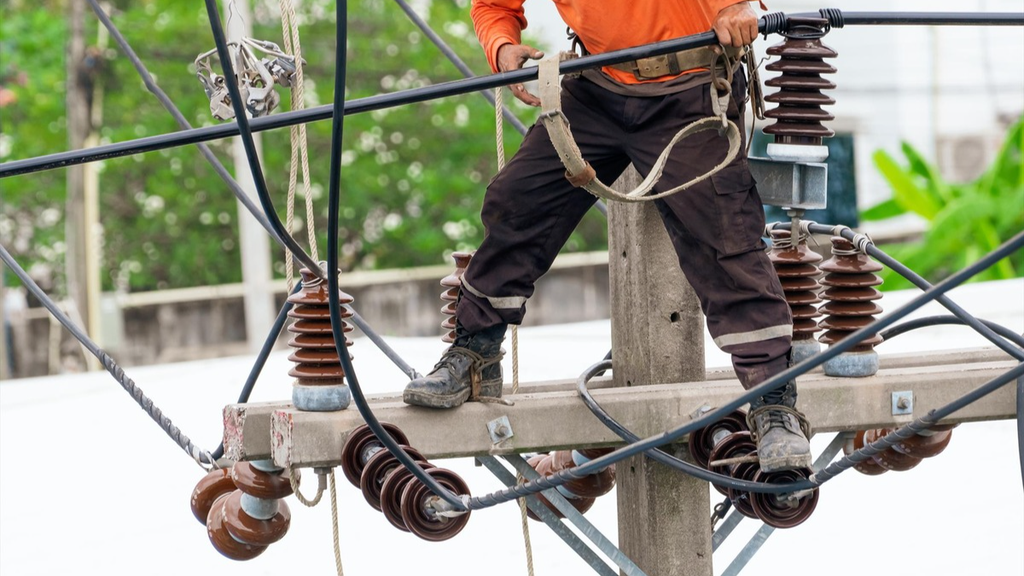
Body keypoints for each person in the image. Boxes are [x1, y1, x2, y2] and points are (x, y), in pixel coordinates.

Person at [403, 0, 812, 472]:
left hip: (692, 85)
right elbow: (494, 5)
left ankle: (773, 403)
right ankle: (475, 354)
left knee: (726, 239)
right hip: (597, 86)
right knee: (517, 202)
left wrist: (733, 7)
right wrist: (502, 47)